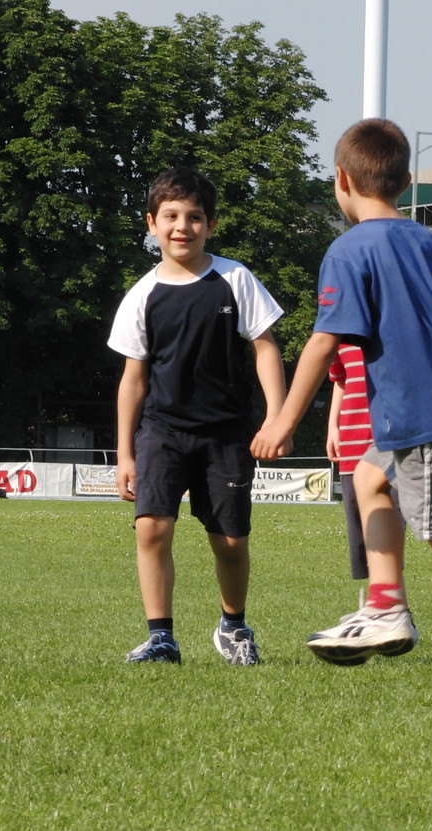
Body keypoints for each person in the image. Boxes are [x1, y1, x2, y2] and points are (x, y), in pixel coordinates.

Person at [251, 118, 432, 690]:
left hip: (429, 414)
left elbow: (322, 342)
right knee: (367, 479)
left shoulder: (347, 250)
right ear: (406, 182)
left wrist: (283, 420)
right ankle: (386, 606)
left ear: (340, 179)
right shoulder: (428, 243)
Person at [108, 167, 287, 666]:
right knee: (152, 529)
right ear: (151, 224)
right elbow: (133, 379)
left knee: (229, 541)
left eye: (194, 217)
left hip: (227, 435)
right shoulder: (142, 295)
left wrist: (276, 417)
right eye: (170, 216)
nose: (181, 226)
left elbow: (266, 349)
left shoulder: (235, 280)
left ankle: (233, 626)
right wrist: (124, 452)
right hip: (162, 432)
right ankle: (161, 637)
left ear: (209, 225)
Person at [326, 343, 399, 598]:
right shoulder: (340, 333)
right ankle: (379, 608)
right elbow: (340, 380)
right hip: (352, 439)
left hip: (391, 442)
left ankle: (392, 608)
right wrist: (332, 427)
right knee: (362, 535)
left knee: (387, 535)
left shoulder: (393, 326)